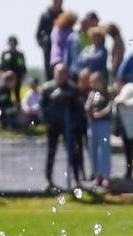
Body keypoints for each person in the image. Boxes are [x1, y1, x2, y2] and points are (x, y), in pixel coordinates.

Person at [40, 60, 84, 188]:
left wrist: (74, 123)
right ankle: (48, 179)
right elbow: (42, 107)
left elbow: (79, 108)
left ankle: (76, 179)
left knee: (73, 152)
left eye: (63, 73)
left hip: (68, 125)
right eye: (59, 73)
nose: (61, 75)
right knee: (51, 152)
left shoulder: (73, 88)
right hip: (53, 125)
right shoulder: (47, 88)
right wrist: (47, 120)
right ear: (54, 73)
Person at [84, 74, 112, 188]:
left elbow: (110, 107)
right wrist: (88, 110)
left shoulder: (107, 94)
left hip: (103, 123)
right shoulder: (92, 94)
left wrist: (101, 113)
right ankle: (97, 174)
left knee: (103, 150)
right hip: (92, 124)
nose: (92, 84)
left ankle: (106, 175)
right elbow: (87, 106)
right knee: (93, 149)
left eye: (94, 81)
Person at [36, 0, 63, 80]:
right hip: (48, 47)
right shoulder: (45, 16)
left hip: (60, 47)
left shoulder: (63, 15)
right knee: (48, 70)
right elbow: (38, 34)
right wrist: (43, 45)